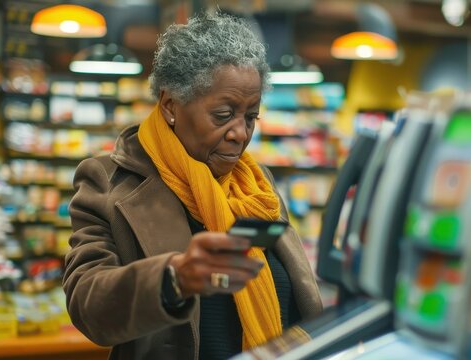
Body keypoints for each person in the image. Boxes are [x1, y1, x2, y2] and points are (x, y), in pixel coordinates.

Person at [62, 12, 323, 360]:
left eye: (250, 116)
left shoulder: (256, 186)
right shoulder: (107, 182)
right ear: (171, 105)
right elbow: (88, 306)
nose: (240, 133)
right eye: (223, 115)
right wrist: (174, 278)